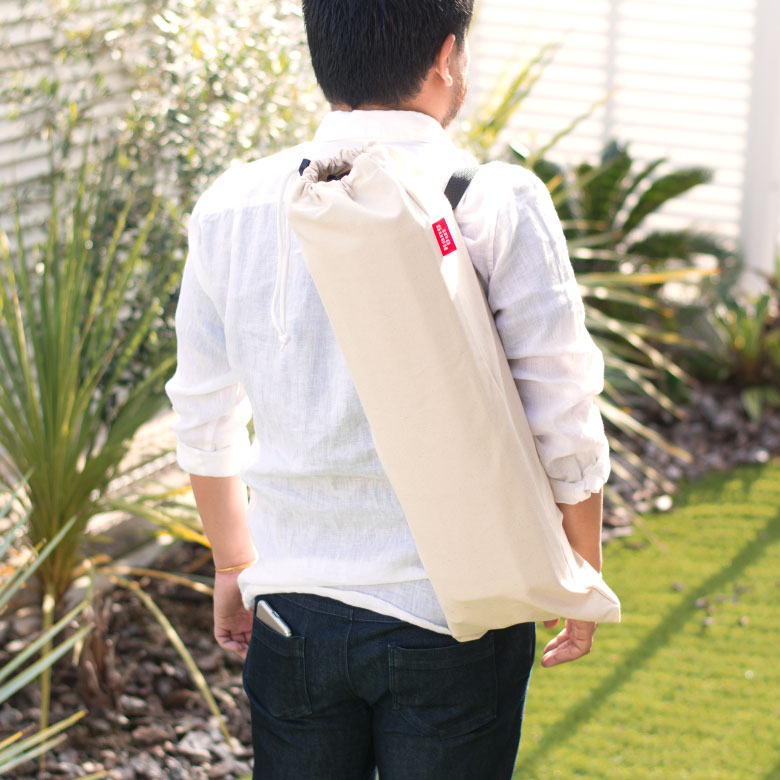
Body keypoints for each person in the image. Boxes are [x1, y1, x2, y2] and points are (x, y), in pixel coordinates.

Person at [165, 1, 611, 777]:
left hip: (291, 614)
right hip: (456, 610)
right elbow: (563, 410)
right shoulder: (492, 201)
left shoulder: (232, 206)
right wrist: (577, 566)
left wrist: (234, 563)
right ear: (446, 57)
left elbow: (204, 415)